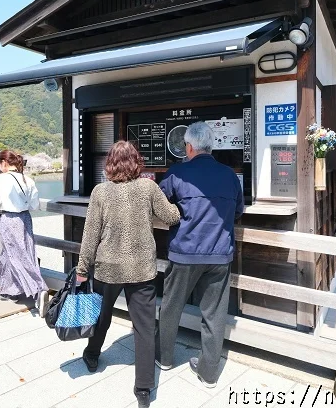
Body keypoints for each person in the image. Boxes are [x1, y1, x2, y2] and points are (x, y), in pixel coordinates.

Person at [76, 141, 180, 408]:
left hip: (107, 268)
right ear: (136, 162)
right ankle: (143, 388)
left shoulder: (100, 192)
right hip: (141, 269)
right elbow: (171, 217)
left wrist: (82, 269)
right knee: (144, 328)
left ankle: (91, 354)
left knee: (101, 317)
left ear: (109, 163)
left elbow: (90, 235)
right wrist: (181, 204)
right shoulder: (148, 187)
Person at [156, 121, 244, 389]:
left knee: (171, 306)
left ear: (189, 147)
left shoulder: (177, 173)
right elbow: (238, 211)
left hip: (185, 253)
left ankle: (165, 358)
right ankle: (208, 373)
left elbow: (159, 204)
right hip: (219, 254)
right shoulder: (229, 175)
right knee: (214, 314)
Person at [0, 150, 48, 312]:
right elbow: (34, 205)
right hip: (25, 219)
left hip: (9, 220)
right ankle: (9, 290)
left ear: (4, 163)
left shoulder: (1, 180)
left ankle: (39, 289)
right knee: (20, 254)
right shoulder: (28, 180)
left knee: (15, 256)